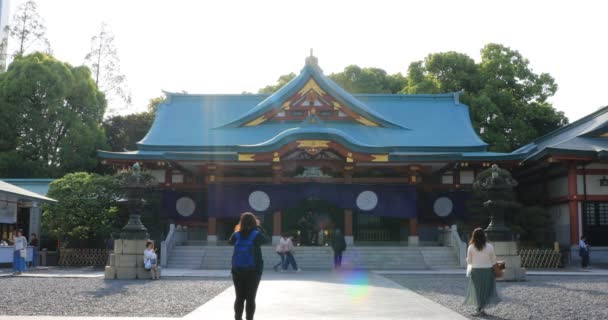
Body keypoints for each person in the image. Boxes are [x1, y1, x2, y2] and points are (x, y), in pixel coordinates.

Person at [228, 212, 269, 320]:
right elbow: (266, 240)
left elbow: (230, 242)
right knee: (251, 298)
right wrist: (259, 226)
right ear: (254, 222)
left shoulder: (236, 235)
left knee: (239, 297)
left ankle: (237, 318)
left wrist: (239, 228)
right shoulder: (256, 234)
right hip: (253, 270)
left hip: (237, 270)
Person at [464, 228, 500, 317]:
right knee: (486, 290)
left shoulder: (471, 247)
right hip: (488, 271)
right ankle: (482, 308)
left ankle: (479, 309)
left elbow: (469, 261)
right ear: (484, 236)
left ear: (474, 236)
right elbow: (493, 260)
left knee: (477, 290)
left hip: (476, 271)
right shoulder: (490, 246)